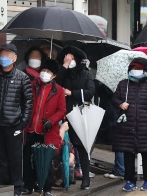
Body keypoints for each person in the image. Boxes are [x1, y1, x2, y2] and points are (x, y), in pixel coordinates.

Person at [0, 44, 33, 196]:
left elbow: (28, 104)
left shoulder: (22, 78)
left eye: (8, 55)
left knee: (15, 159)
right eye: (2, 54)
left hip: (14, 125)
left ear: (15, 58)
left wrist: (22, 124)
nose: (4, 58)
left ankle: (16, 188)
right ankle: (1, 187)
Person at [112, 58, 147, 191]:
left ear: (145, 71)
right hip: (127, 127)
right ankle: (130, 181)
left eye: (139, 69)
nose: (135, 71)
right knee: (128, 155)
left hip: (146, 128)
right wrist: (120, 104)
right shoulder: (123, 85)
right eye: (133, 68)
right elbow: (114, 98)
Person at [22, 59, 66, 196]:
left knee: (46, 160)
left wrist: (51, 121)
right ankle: (28, 186)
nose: (44, 73)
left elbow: (62, 110)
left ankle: (47, 188)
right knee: (27, 159)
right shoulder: (32, 85)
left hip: (46, 131)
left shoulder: (58, 90)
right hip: (30, 129)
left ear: (54, 76)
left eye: (48, 72)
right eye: (43, 70)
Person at [56, 46, 95, 189]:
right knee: (61, 145)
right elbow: (55, 86)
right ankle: (63, 176)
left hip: (79, 113)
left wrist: (72, 93)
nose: (70, 60)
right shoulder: (62, 73)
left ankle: (85, 177)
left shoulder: (85, 74)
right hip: (62, 113)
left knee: (81, 146)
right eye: (67, 57)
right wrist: (64, 66)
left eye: (72, 58)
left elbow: (90, 91)